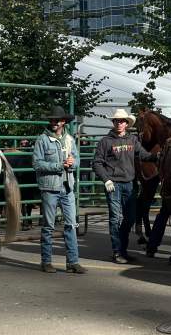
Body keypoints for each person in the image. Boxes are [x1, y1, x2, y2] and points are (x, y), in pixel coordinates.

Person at [92, 108, 150, 264]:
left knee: (130, 218)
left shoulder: (133, 140)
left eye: (122, 121)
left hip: (129, 184)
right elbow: (97, 163)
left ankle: (123, 250)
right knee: (115, 218)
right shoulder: (106, 141)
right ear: (114, 123)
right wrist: (106, 179)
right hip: (114, 184)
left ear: (127, 123)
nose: (119, 123)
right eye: (117, 121)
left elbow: (143, 155)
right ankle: (117, 252)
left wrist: (157, 156)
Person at [32, 105, 85, 274]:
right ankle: (46, 261)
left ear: (63, 122)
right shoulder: (42, 140)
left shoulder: (69, 139)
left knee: (71, 224)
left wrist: (72, 163)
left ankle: (73, 262)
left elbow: (76, 159)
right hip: (50, 187)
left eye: (56, 120)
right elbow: (37, 163)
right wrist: (58, 165)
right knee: (49, 225)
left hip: (67, 186)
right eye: (52, 120)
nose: (53, 122)